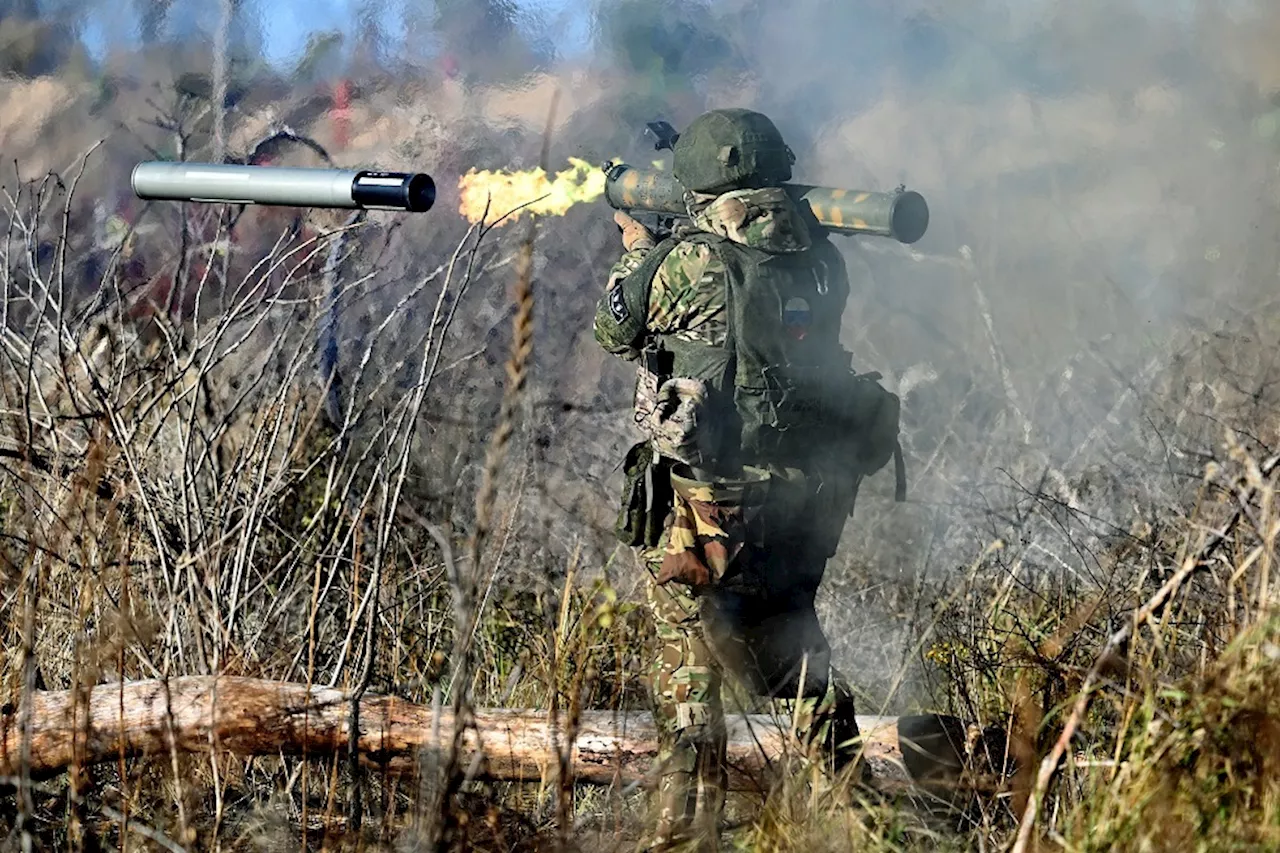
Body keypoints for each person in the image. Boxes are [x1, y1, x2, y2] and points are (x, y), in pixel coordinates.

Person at [592, 108, 904, 850]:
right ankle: (866, 820)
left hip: (713, 505)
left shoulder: (686, 262)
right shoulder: (824, 258)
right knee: (792, 648)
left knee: (688, 658)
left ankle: (683, 830)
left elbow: (616, 329)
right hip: (809, 496)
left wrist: (637, 249)